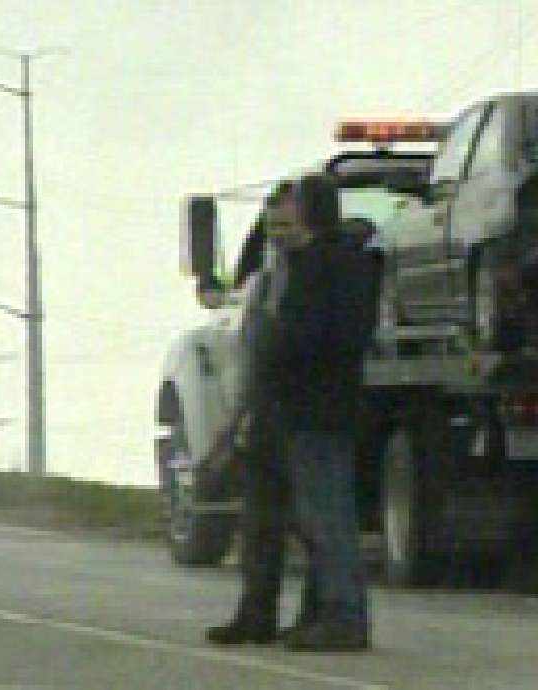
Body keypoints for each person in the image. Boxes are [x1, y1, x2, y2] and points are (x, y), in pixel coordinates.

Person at [267, 173, 380, 651]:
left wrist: (278, 346)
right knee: (325, 514)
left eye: (291, 203)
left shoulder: (317, 266)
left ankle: (342, 615)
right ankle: (320, 611)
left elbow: (306, 336)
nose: (284, 212)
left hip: (314, 404)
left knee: (327, 516)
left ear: (309, 209)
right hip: (337, 401)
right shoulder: (354, 262)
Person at [205, 181, 313, 646]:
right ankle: (255, 613)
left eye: (287, 225)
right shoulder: (266, 275)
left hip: (301, 412)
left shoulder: (313, 272)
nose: (279, 235)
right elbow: (252, 350)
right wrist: (235, 422)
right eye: (272, 228)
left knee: (310, 524)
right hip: (263, 409)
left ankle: (315, 615)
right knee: (259, 523)